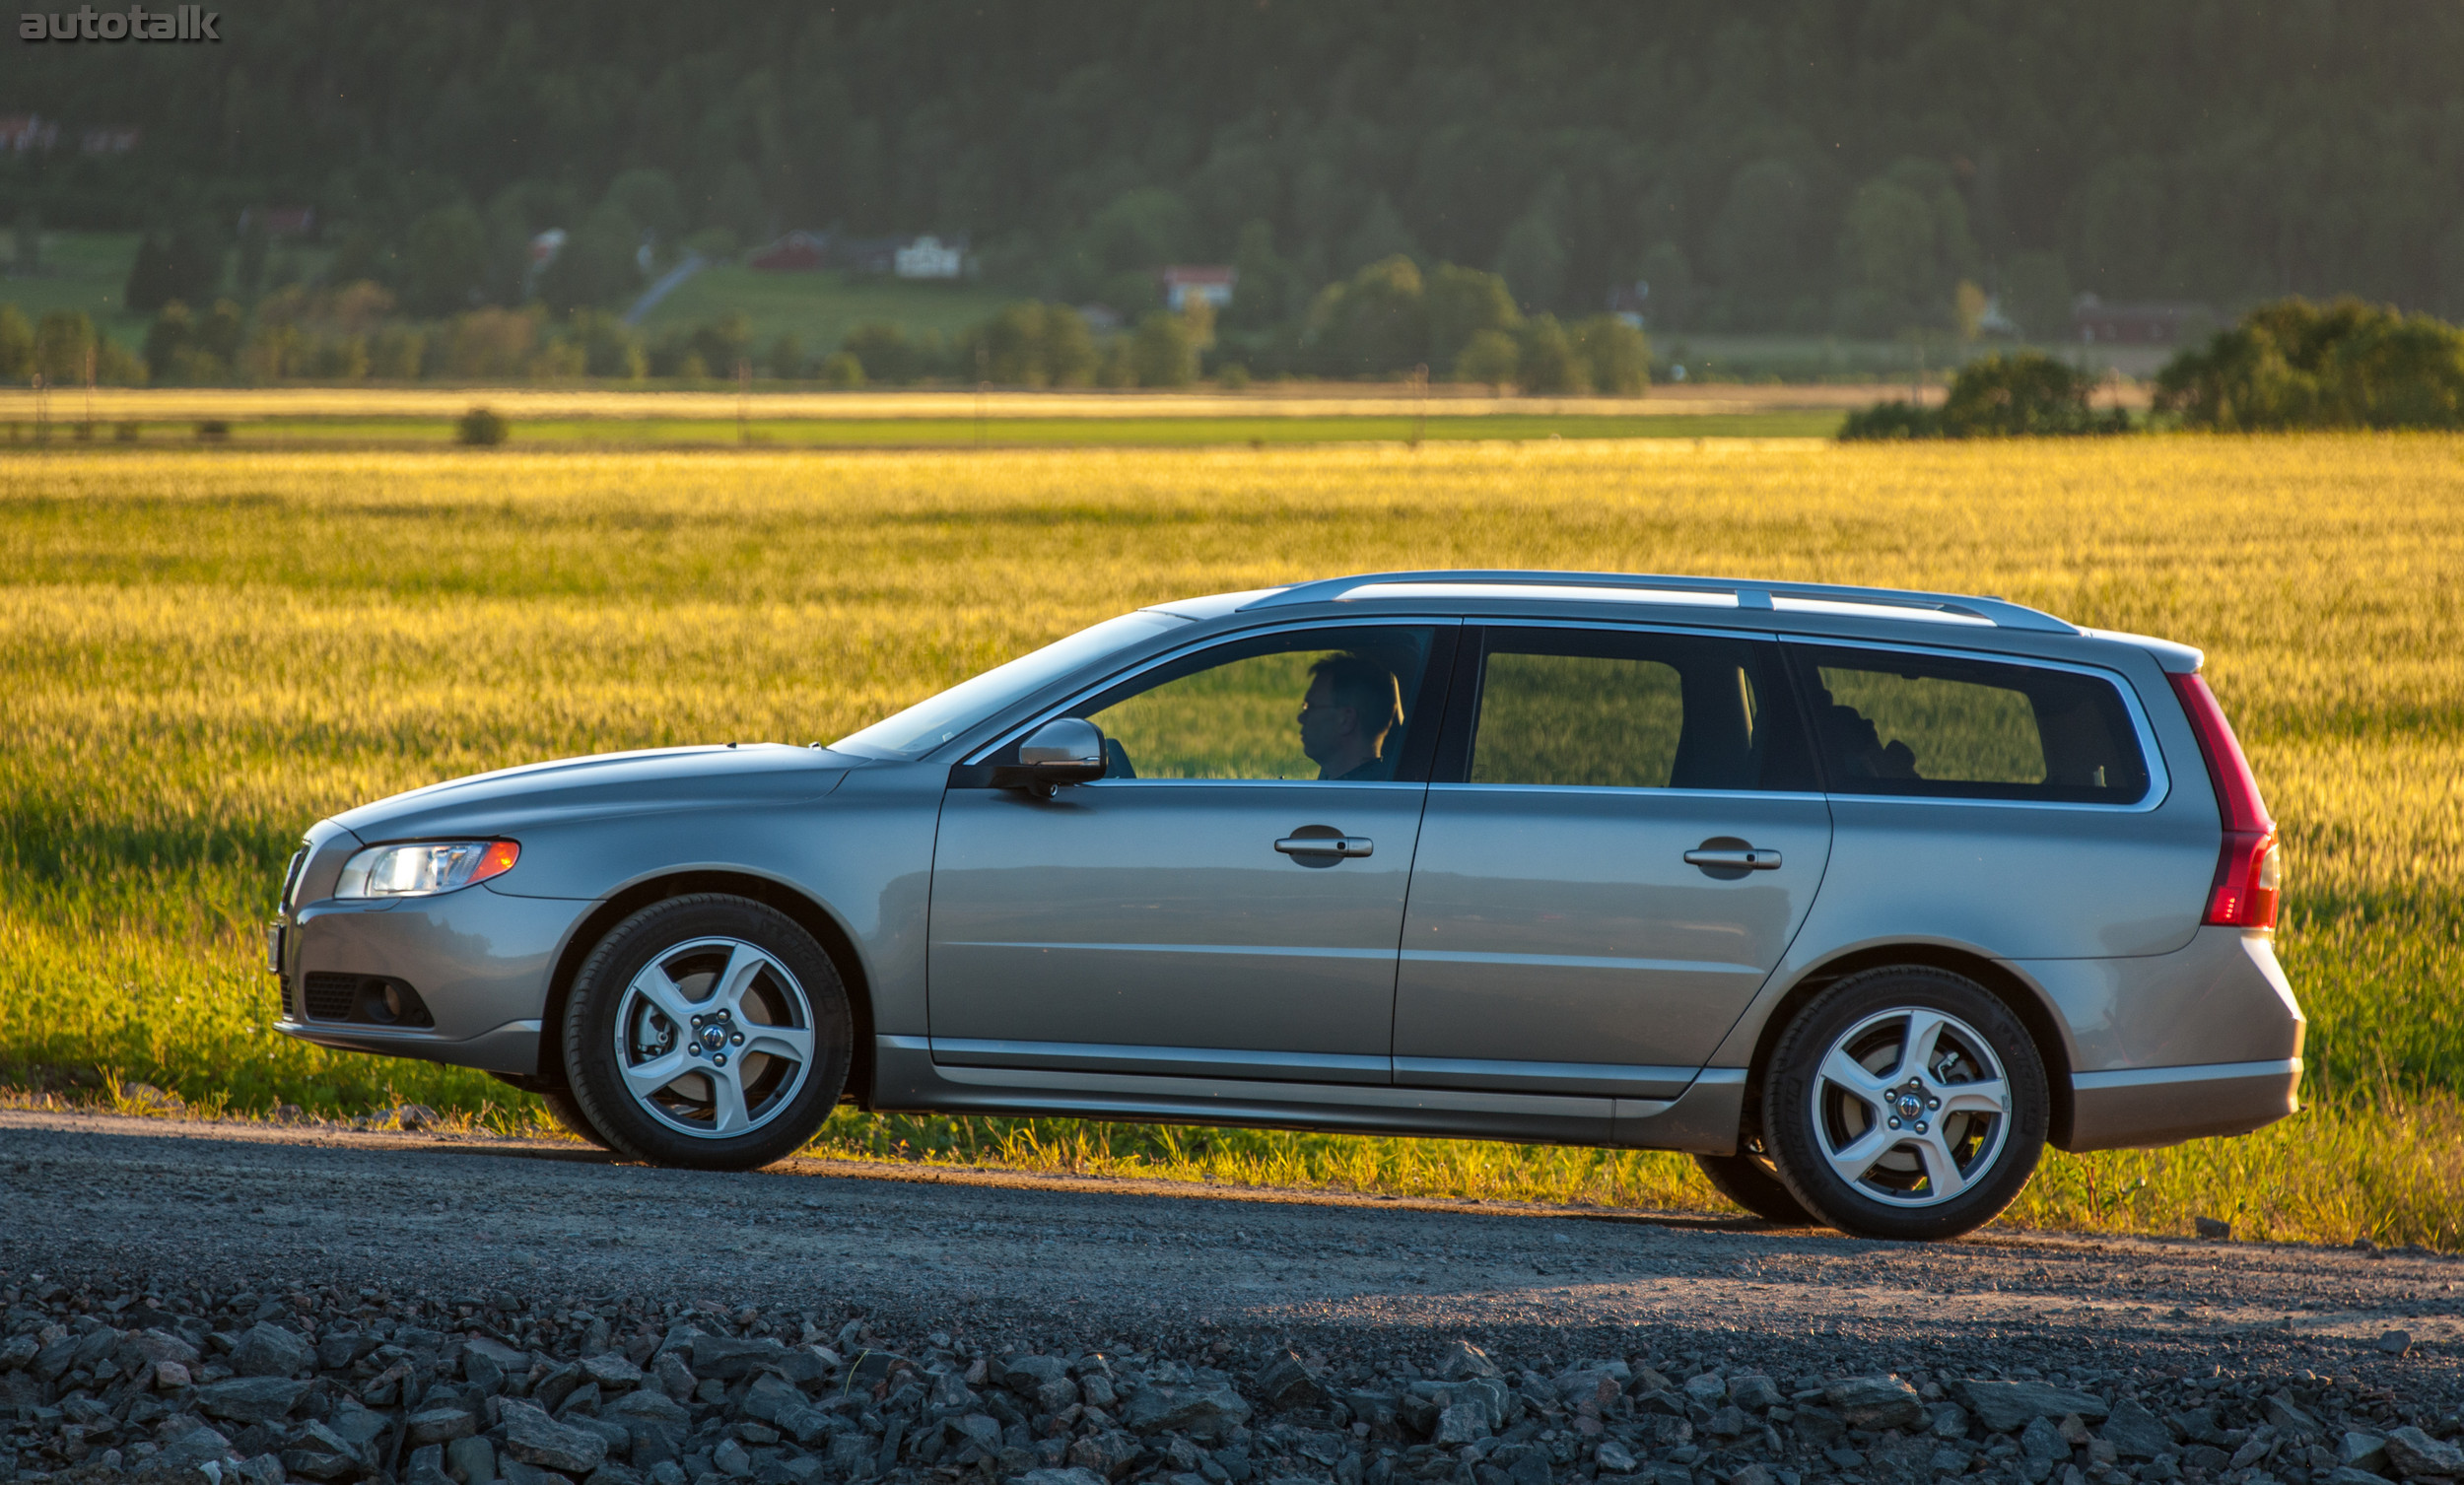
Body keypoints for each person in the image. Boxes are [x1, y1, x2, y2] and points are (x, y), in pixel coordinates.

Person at [1297, 652, 1403, 781]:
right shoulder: (1377, 788)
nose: (1301, 718)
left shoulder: (1360, 798)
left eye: (1311, 707)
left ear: (1346, 720)